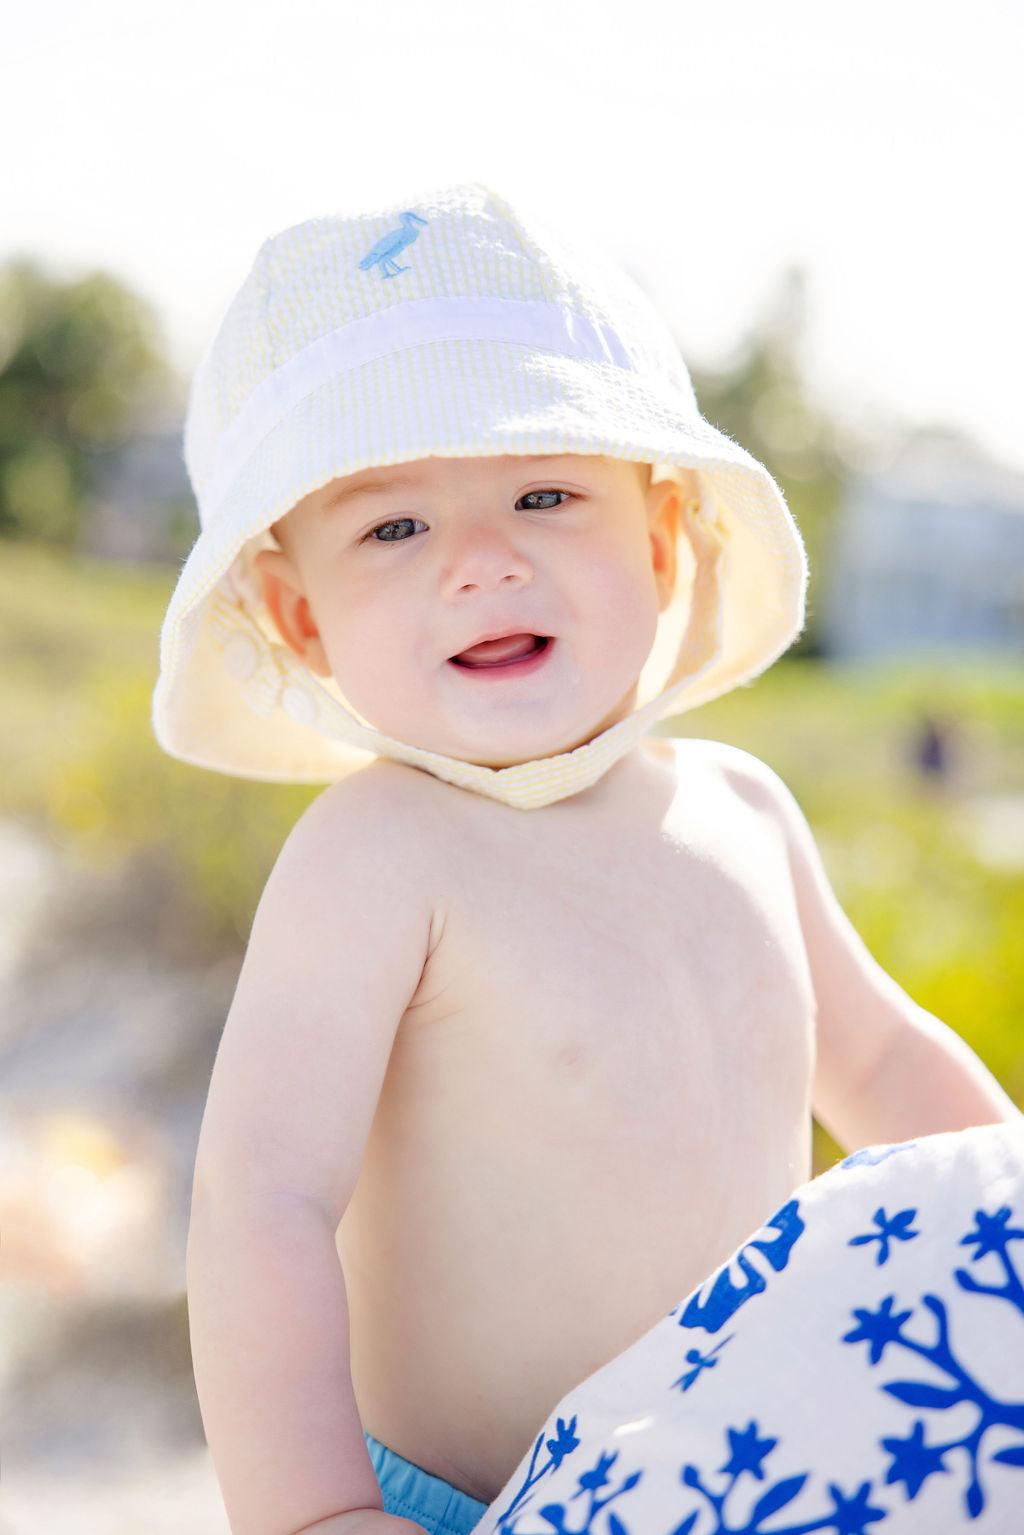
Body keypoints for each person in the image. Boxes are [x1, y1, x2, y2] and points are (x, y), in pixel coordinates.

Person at [152, 182, 1023, 1535]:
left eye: (545, 492)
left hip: (753, 1463)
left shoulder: (742, 805)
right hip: (481, 1503)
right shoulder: (378, 853)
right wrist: (313, 1513)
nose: (483, 563)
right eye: (394, 526)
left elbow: (886, 1064)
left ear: (663, 534)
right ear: (298, 613)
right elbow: (261, 1200)